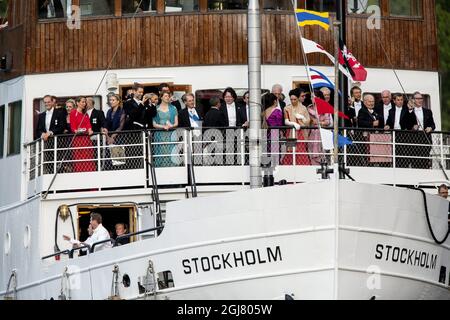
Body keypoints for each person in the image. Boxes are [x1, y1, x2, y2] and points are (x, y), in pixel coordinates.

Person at [280, 89, 311, 166]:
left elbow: (308, 121)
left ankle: (302, 166)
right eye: (291, 99)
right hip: (290, 132)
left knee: (301, 149)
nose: (293, 101)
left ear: (298, 99)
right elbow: (286, 121)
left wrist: (302, 118)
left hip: (301, 132)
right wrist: (293, 123)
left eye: (294, 99)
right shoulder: (286, 108)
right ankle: (289, 166)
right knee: (290, 149)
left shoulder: (303, 108)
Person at [152, 91, 179, 167]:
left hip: (171, 133)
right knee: (161, 152)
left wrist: (170, 126)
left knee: (171, 152)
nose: (168, 97)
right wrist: (163, 127)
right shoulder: (156, 108)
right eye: (166, 96)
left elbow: (176, 123)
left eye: (168, 96)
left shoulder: (173, 108)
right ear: (161, 97)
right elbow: (154, 124)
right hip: (160, 134)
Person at [70, 96, 96, 172]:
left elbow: (89, 126)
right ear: (77, 103)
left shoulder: (86, 114)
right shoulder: (73, 113)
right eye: (83, 102)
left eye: (85, 102)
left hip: (86, 140)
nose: (84, 104)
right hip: (78, 140)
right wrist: (80, 130)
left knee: (89, 158)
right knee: (79, 159)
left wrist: (90, 130)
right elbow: (73, 128)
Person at [307, 90, 331, 165]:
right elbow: (307, 121)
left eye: (313, 97)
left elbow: (328, 122)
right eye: (311, 97)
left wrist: (317, 123)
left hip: (322, 133)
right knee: (311, 150)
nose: (312, 98)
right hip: (311, 133)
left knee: (322, 152)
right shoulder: (309, 108)